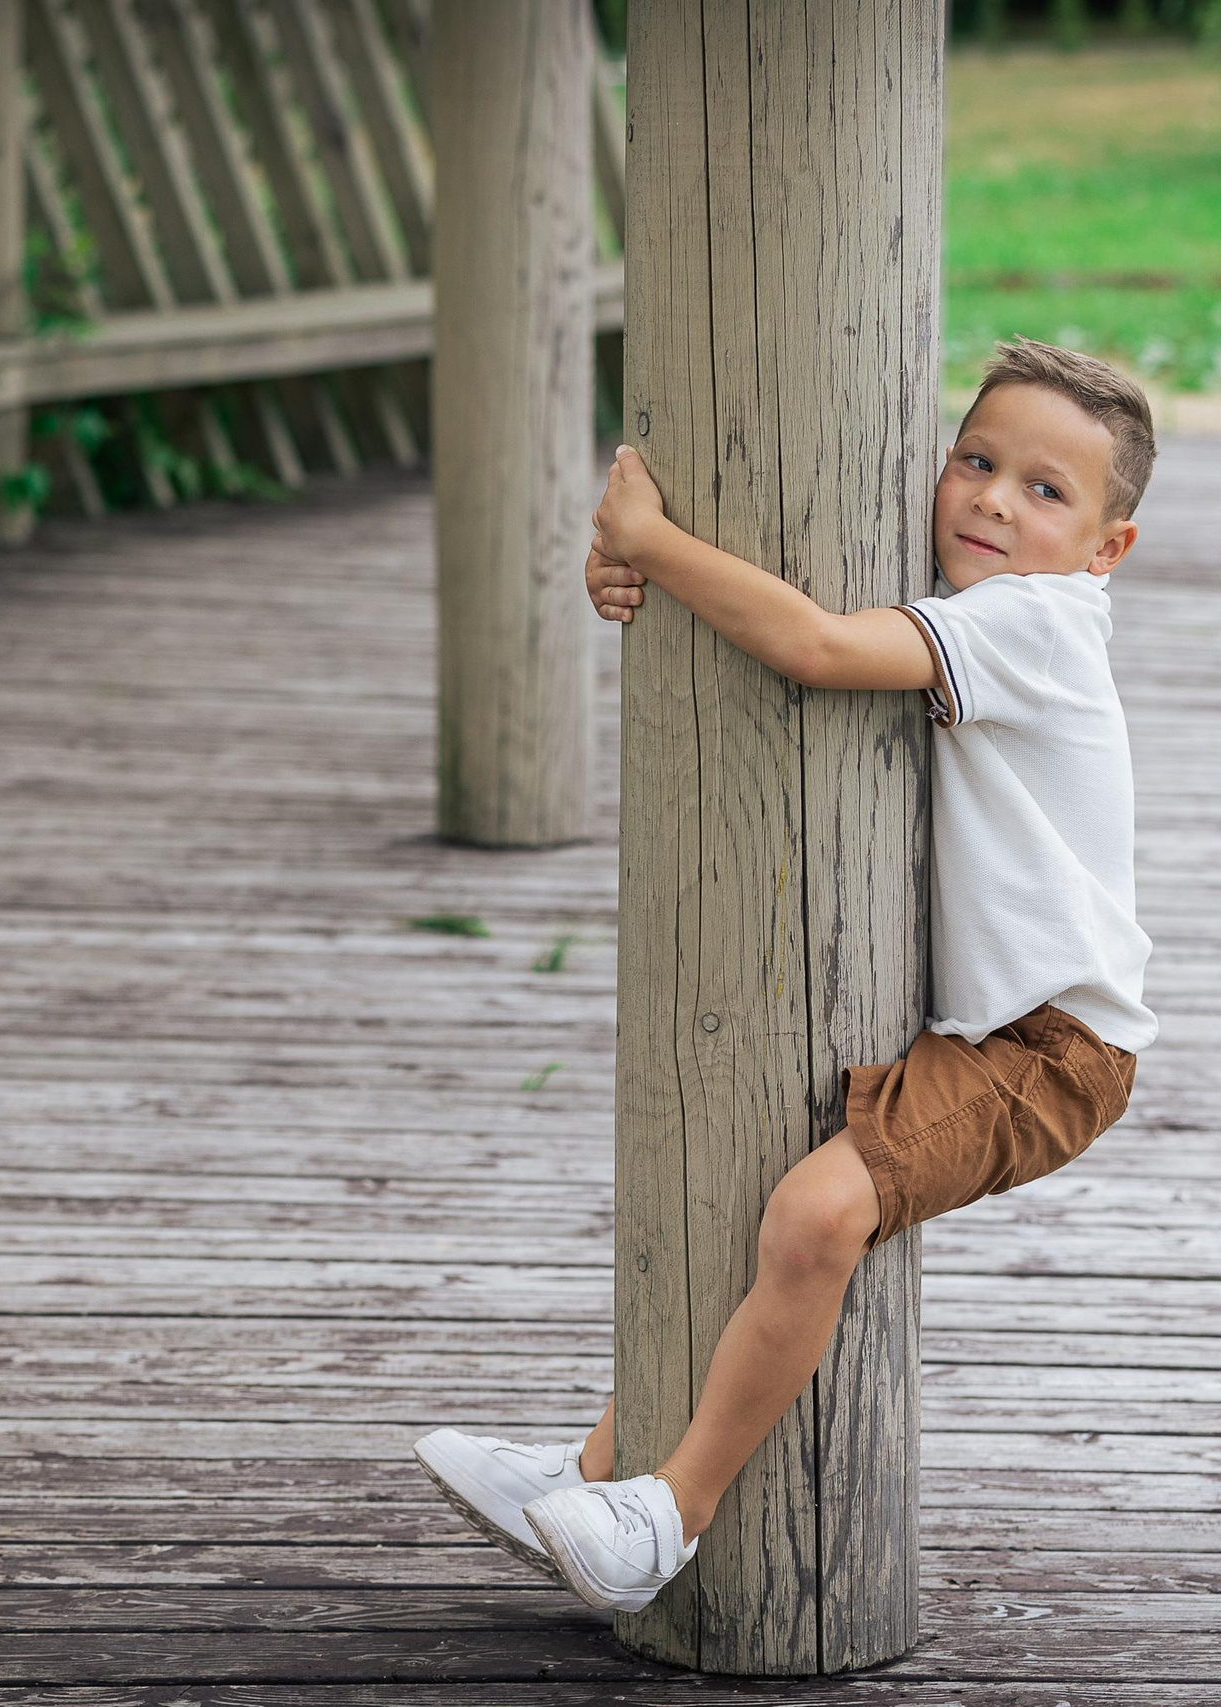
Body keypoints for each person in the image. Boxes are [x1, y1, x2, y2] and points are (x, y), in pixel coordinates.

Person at [412, 338, 1161, 1615]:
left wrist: (652, 542)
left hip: (1054, 1051)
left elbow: (811, 643)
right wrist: (639, 569)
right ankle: (591, 1466)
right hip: (987, 1034)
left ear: (1107, 548)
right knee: (760, 1218)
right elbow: (803, 604)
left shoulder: (1035, 621)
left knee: (815, 1217)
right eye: (974, 461)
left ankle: (669, 1515)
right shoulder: (971, 604)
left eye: (1045, 490)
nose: (992, 499)